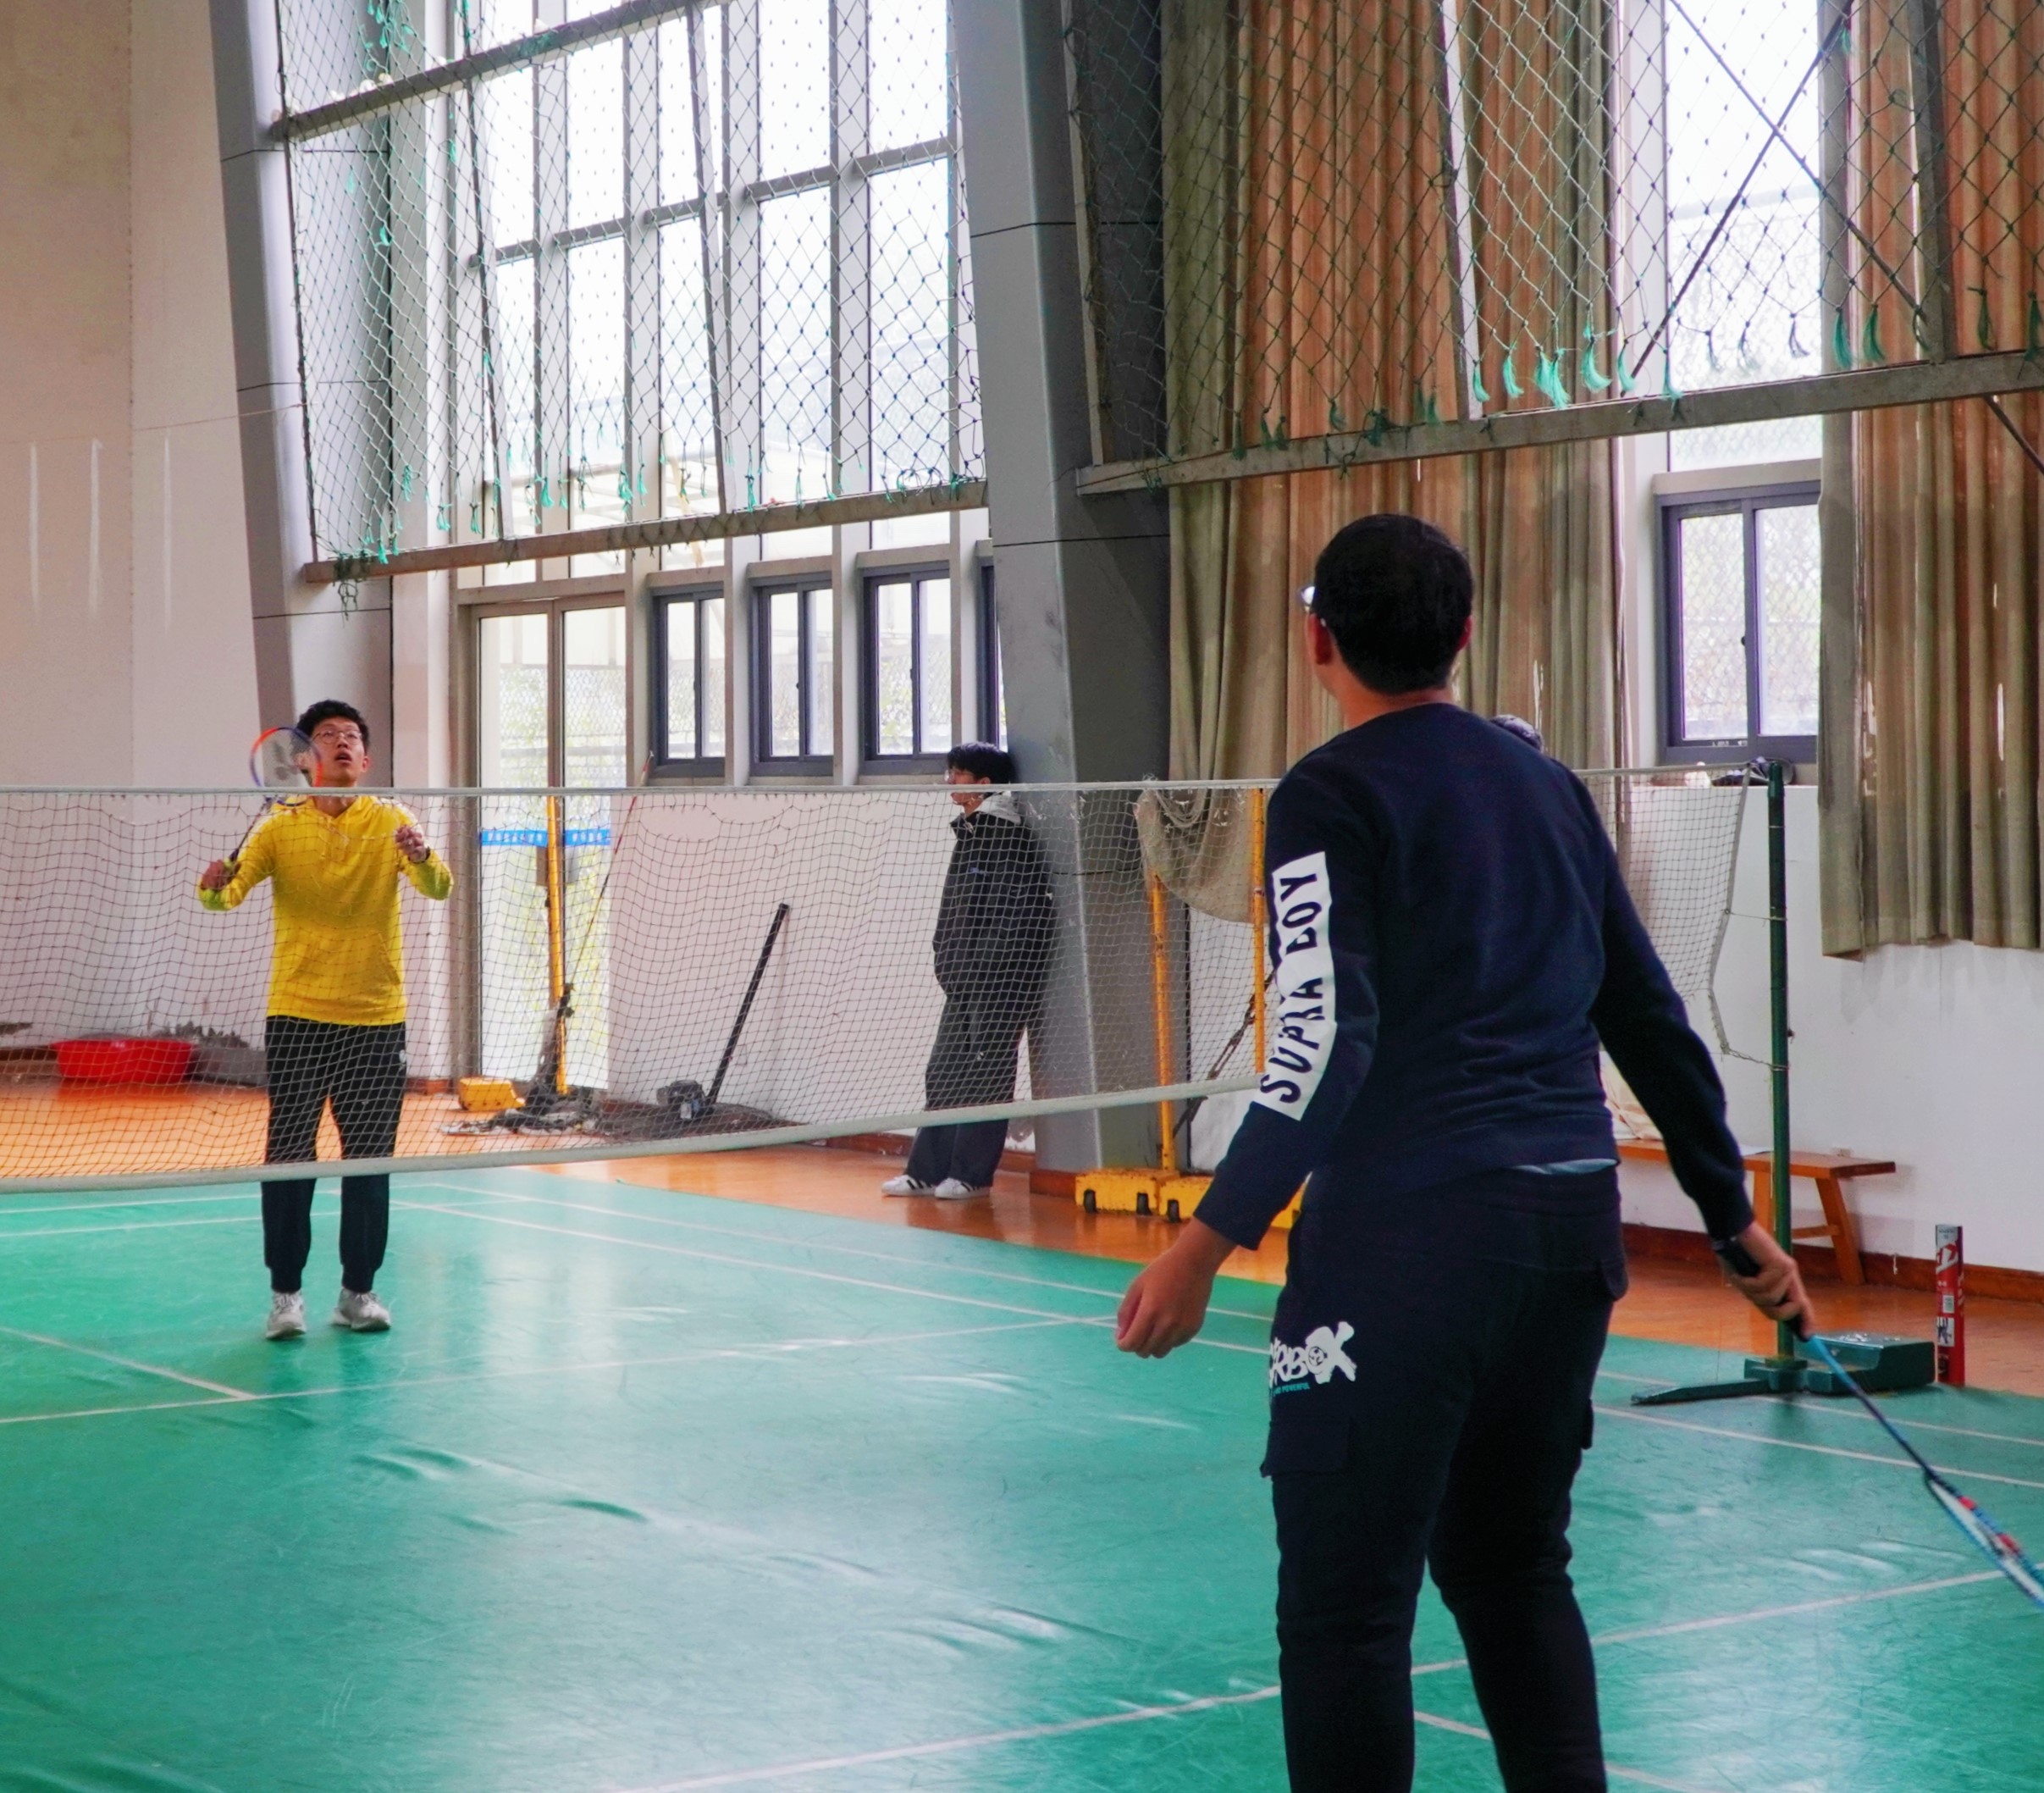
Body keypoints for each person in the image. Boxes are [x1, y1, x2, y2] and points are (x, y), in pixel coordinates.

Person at [1113, 515, 1814, 1793]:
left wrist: (1202, 1244)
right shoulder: (1546, 785)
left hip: (1409, 1246)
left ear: (1316, 640)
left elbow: (1322, 1037)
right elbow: (1645, 1014)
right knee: (1511, 1570)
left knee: (1344, 1611)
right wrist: (1730, 1216)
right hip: (1565, 1238)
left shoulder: (1325, 794)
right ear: (1465, 635)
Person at [197, 700, 454, 1340]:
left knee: (368, 1160)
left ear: (365, 760)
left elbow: (439, 887)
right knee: (289, 1158)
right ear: (304, 758)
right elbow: (224, 899)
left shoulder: (394, 820)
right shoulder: (278, 828)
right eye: (327, 734)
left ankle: (357, 1292)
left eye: (352, 736)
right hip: (299, 1015)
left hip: (375, 1018)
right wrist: (213, 884)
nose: (341, 741)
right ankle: (286, 1296)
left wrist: (423, 854)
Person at [881, 743, 1055, 1200]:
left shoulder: (1007, 838)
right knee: (943, 1073)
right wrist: (947, 960)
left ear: (984, 784)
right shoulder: (970, 833)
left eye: (958, 774)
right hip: (962, 979)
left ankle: (971, 1175)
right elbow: (954, 913)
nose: (949, 782)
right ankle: (926, 1171)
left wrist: (986, 968)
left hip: (999, 983)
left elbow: (1017, 916)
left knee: (986, 1077)